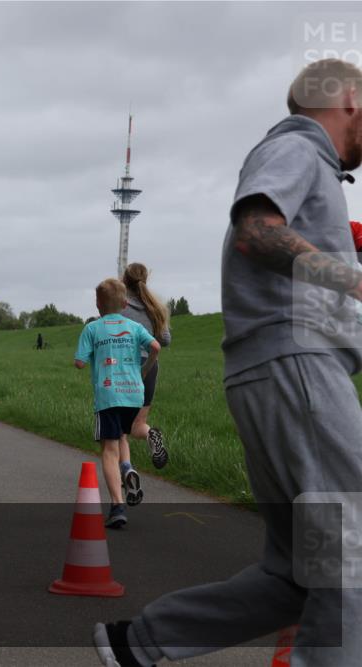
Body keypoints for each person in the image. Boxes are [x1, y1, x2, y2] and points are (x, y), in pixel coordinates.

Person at [94, 58, 362, 667]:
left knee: (297, 575)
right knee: (351, 553)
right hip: (299, 368)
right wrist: (353, 282)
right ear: (348, 97)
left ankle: (137, 644)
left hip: (280, 372)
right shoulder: (300, 148)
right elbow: (256, 230)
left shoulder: (308, 165)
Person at [74, 278, 160, 529]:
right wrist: (144, 369)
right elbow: (155, 346)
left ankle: (117, 506)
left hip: (108, 395)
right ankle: (127, 467)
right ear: (124, 304)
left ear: (97, 304)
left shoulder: (92, 328)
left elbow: (79, 362)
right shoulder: (133, 327)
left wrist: (89, 358)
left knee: (108, 448)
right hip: (134, 393)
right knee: (122, 436)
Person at [121, 262, 171, 469]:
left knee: (119, 430)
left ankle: (126, 472)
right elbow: (165, 340)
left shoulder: (119, 305)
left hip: (124, 367)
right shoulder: (155, 307)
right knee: (138, 425)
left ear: (124, 280)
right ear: (146, 279)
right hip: (149, 367)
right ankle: (151, 434)